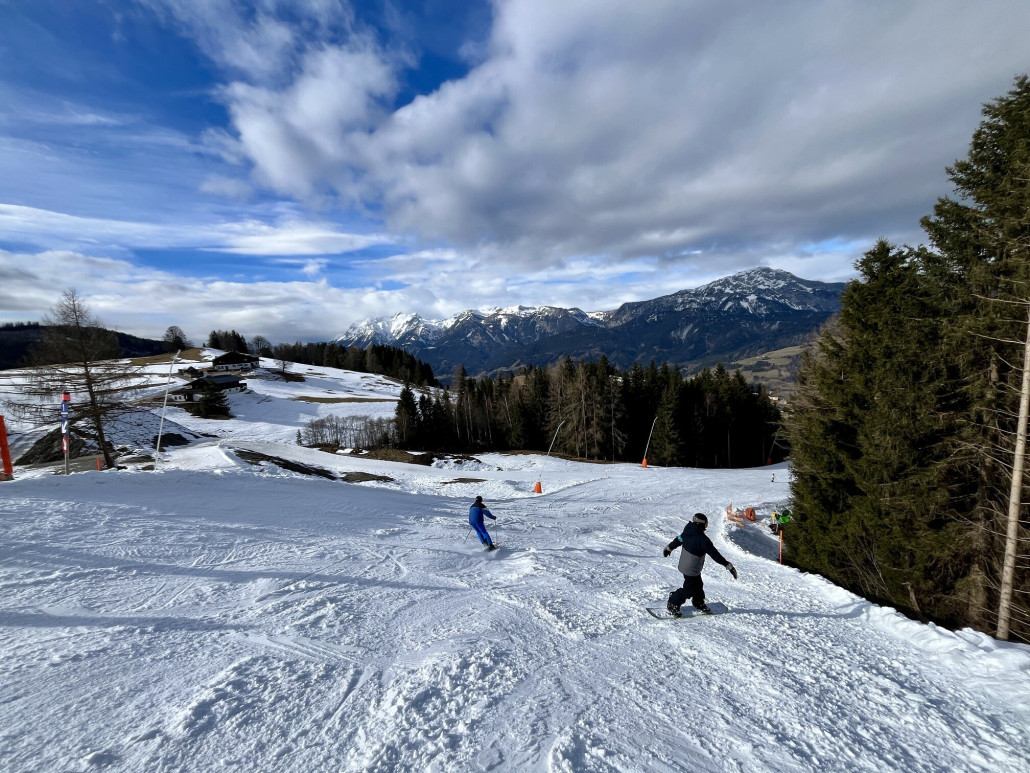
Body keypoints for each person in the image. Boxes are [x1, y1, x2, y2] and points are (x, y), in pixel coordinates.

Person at [662, 512, 737, 616]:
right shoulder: (703, 540)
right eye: (706, 524)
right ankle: (673, 602)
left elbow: (678, 540)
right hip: (691, 568)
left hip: (688, 565)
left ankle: (698, 602)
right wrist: (728, 565)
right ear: (702, 524)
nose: (706, 526)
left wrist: (669, 548)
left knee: (698, 585)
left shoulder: (688, 531)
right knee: (689, 589)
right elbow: (715, 555)